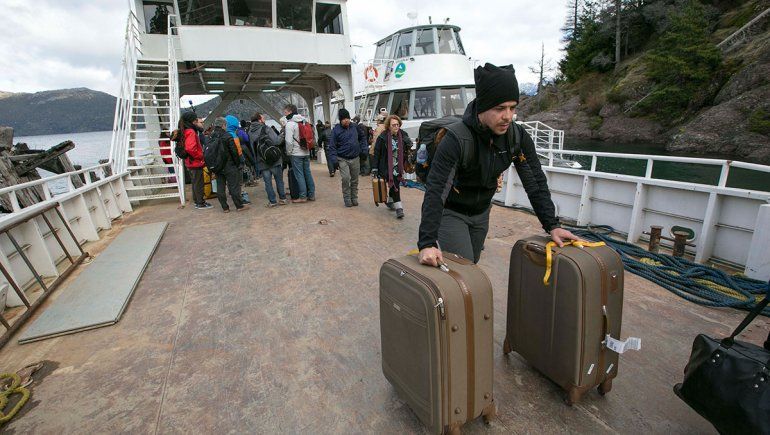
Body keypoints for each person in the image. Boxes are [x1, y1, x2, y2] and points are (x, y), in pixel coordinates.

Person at [417, 63, 579, 266]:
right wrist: (427, 242)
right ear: (483, 107)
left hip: (482, 211)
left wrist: (552, 225)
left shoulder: (516, 137)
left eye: (512, 108)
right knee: (465, 269)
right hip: (452, 212)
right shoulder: (456, 139)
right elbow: (436, 190)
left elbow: (535, 182)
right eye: (500, 108)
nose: (508, 116)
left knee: (472, 262)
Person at [372, 115, 411, 219]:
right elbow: (377, 153)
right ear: (388, 126)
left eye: (398, 124)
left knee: (395, 184)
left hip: (398, 166)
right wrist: (375, 168)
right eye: (394, 125)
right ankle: (399, 208)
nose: (396, 127)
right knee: (395, 185)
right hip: (386, 167)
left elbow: (409, 147)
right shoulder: (383, 136)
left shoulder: (403, 134)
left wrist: (408, 142)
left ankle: (390, 201)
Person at [328, 108, 367, 207]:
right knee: (345, 178)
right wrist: (334, 160)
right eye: (344, 119)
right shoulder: (336, 130)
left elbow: (363, 138)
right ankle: (347, 198)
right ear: (340, 120)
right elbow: (332, 146)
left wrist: (364, 150)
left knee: (354, 179)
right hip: (342, 158)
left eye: (348, 118)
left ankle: (354, 197)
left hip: (355, 157)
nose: (346, 120)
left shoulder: (355, 127)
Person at [209, 117, 249, 212]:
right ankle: (239, 206)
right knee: (234, 186)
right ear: (223, 125)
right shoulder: (227, 136)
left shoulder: (211, 136)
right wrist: (237, 163)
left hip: (217, 166)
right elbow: (234, 152)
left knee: (220, 187)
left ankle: (225, 207)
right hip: (229, 165)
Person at [249, 112, 288, 208]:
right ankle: (282, 199)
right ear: (259, 120)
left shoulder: (250, 132)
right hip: (274, 159)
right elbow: (277, 141)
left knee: (268, 183)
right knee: (279, 180)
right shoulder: (266, 128)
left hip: (262, 161)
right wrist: (282, 134)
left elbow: (253, 149)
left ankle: (272, 201)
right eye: (263, 118)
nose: (264, 119)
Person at [283, 104, 316, 203]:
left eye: (285, 112)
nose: (284, 114)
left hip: (296, 153)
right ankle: (311, 195)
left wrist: (289, 152)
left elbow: (288, 141)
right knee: (308, 174)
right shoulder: (304, 121)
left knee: (299, 175)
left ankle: (302, 197)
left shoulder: (290, 124)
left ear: (289, 112)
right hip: (306, 152)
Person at [179, 112, 212, 209]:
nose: (197, 121)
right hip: (195, 162)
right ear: (192, 121)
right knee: (199, 183)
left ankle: (197, 201)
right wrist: (200, 155)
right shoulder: (191, 132)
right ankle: (200, 203)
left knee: (195, 183)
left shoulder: (185, 131)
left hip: (189, 162)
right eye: (196, 120)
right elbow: (190, 148)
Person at [225, 115, 251, 204]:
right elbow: (238, 151)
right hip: (236, 163)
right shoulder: (233, 135)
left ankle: (232, 195)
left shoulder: (223, 135)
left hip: (226, 163)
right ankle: (239, 198)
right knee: (238, 182)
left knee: (230, 182)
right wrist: (242, 161)